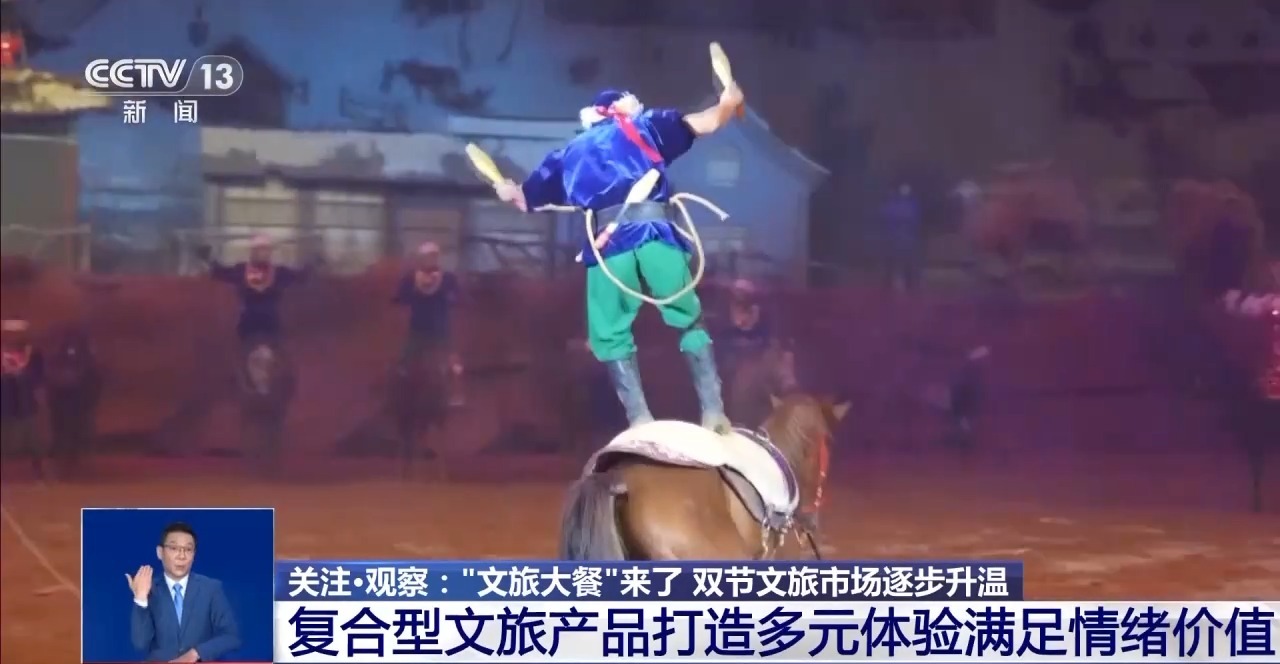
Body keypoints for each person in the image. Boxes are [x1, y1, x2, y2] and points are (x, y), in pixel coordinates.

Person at [492, 85, 745, 433]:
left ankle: (639, 419)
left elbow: (524, 200)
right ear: (626, 108)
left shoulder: (568, 154)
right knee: (689, 319)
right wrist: (728, 104)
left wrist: (508, 190)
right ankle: (713, 411)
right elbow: (707, 122)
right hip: (655, 236)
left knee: (610, 335)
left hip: (609, 249)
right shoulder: (646, 125)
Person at [127, 522, 240, 662]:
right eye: (174, 548)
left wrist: (196, 653)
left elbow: (231, 636)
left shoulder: (211, 588)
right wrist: (141, 598)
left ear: (194, 554)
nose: (182, 556)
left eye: (188, 549)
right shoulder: (149, 589)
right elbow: (140, 644)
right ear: (160, 552)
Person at [196, 235, 311, 357]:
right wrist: (208, 259)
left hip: (271, 321)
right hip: (248, 321)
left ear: (270, 252)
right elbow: (220, 272)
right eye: (259, 249)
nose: (262, 253)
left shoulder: (279, 272)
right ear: (252, 252)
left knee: (271, 354)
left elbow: (300, 277)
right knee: (247, 354)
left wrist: (312, 262)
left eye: (265, 249)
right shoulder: (241, 270)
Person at [1, 319, 46, 478]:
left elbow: (36, 378)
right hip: (5, 404)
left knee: (32, 439)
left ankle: (38, 472)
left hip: (25, 405)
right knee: (5, 439)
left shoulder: (33, 355)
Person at [881, 182, 923, 292]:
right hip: (901, 239)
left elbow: (885, 218)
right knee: (901, 264)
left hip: (898, 238)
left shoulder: (893, 205)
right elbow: (915, 221)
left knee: (898, 264)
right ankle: (905, 285)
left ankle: (895, 285)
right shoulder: (910, 206)